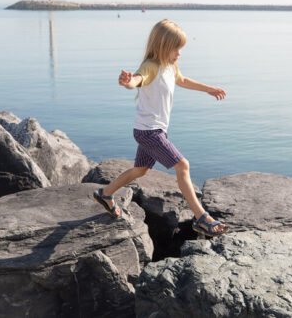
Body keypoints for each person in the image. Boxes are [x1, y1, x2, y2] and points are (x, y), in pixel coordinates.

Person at [93, 19, 229, 237]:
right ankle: (201, 218)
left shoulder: (170, 66)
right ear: (163, 46)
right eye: (176, 48)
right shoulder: (151, 66)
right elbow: (136, 80)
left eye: (181, 48)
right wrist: (127, 82)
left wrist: (209, 89)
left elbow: (182, 80)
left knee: (140, 170)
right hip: (149, 132)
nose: (179, 53)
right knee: (182, 166)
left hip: (154, 130)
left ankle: (105, 194)